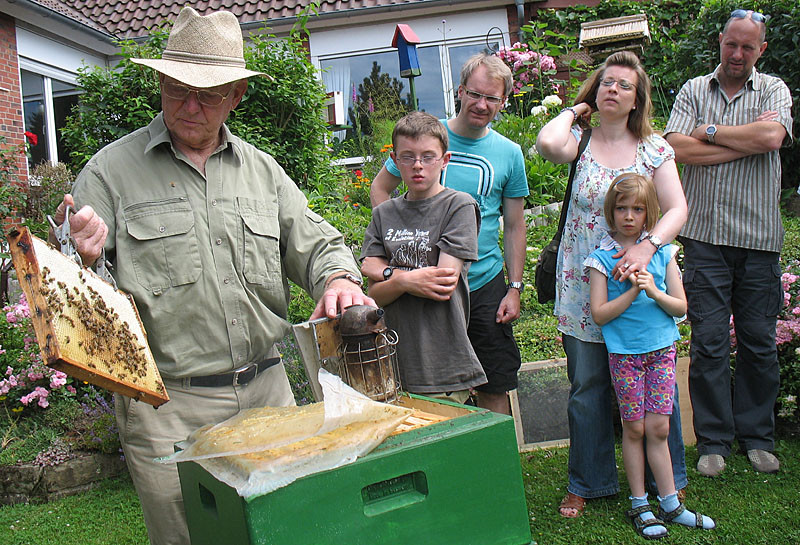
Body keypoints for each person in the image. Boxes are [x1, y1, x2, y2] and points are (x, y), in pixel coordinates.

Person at [51, 8, 373, 545]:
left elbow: (318, 244)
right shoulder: (109, 172)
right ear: (160, 82)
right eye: (177, 88)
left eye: (208, 92)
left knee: (282, 532)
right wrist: (78, 257)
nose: (189, 104)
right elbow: (64, 298)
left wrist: (338, 278)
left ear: (237, 96)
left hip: (268, 394)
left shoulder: (263, 171)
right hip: (168, 411)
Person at [535, 50, 689, 518]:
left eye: (624, 84)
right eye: (605, 82)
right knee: (588, 385)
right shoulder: (578, 141)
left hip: (641, 293)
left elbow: (677, 209)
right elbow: (545, 143)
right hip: (584, 287)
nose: (612, 89)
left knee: (654, 380)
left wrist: (648, 248)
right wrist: (573, 109)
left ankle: (670, 480)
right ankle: (588, 481)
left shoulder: (654, 149)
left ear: (638, 98)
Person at [664, 9, 793, 477]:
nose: (737, 54)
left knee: (759, 344)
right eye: (730, 44)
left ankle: (758, 437)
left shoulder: (774, 89)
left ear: (761, 49)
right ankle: (714, 441)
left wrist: (712, 133)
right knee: (710, 344)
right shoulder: (694, 89)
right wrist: (746, 142)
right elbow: (675, 147)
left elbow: (772, 136)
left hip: (759, 241)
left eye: (747, 47)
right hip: (705, 242)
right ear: (720, 41)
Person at [370, 54, 528, 414]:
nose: (482, 104)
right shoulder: (426, 139)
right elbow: (381, 191)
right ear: (460, 91)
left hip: (485, 281)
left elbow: (515, 225)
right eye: (475, 94)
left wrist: (514, 288)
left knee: (494, 380)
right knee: (430, 386)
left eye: (492, 98)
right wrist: (398, 248)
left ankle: (496, 464)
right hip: (428, 284)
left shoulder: (509, 153)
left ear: (503, 102)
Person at [586, 174, 714, 539]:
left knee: (659, 427)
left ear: (649, 214)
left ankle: (671, 503)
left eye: (638, 209)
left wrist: (653, 290)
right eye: (622, 208)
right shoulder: (601, 259)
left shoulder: (664, 253)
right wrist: (630, 293)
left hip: (661, 352)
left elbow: (680, 306)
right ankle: (640, 503)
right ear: (612, 212)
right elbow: (599, 314)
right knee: (635, 428)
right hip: (625, 355)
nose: (629, 216)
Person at [360, 111, 485, 402]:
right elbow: (374, 296)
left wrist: (390, 275)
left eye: (428, 156)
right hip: (392, 358)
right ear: (395, 159)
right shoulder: (384, 214)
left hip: (443, 360)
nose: (418, 166)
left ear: (445, 160)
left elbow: (442, 282)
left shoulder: (458, 206)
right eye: (408, 157)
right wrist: (406, 280)